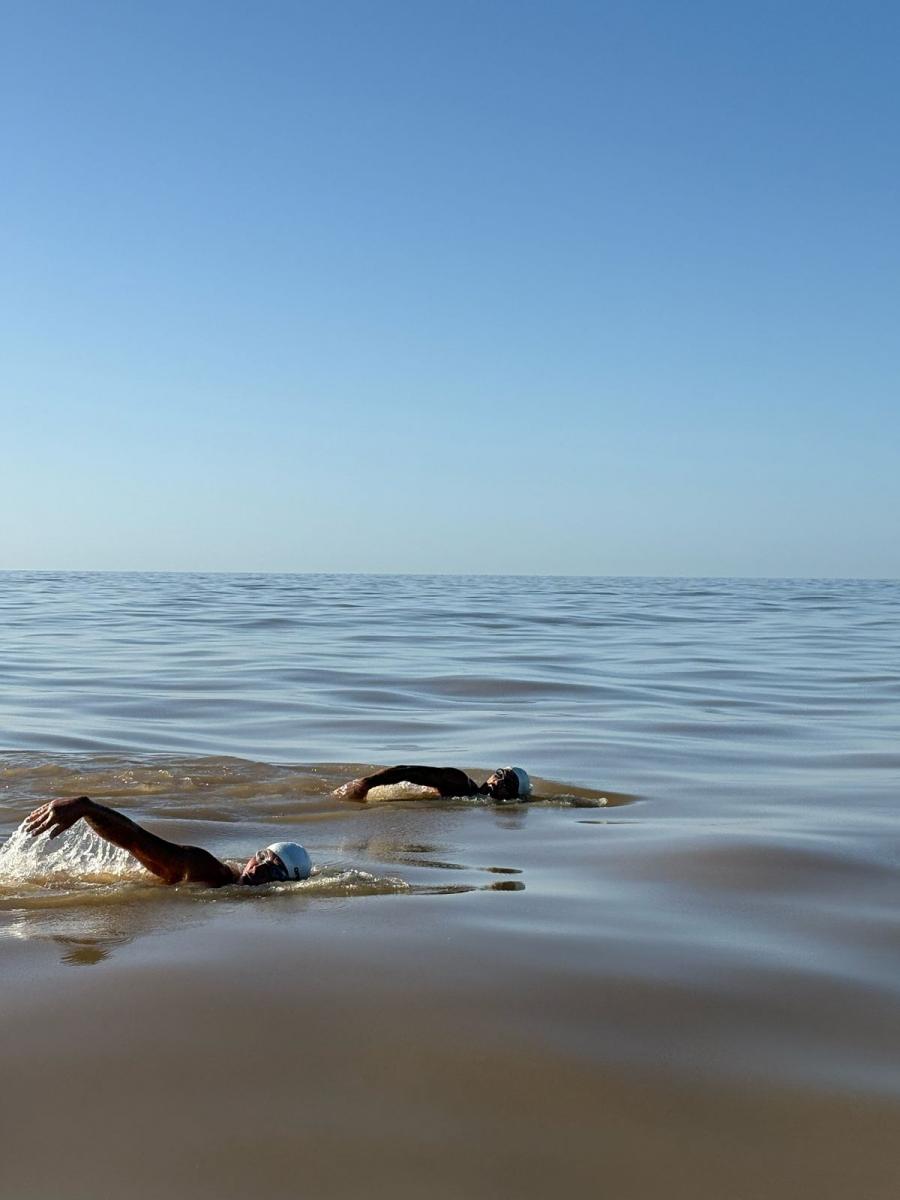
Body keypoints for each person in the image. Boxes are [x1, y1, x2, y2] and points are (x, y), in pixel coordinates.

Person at [23, 795, 311, 888]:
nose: (259, 868)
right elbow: (136, 840)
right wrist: (87, 807)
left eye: (273, 869)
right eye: (262, 856)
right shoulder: (209, 871)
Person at [333, 764, 531, 803]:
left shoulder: (472, 800)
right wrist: (367, 783)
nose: (499, 781)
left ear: (514, 796)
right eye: (499, 774)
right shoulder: (459, 782)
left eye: (508, 782)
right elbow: (409, 771)